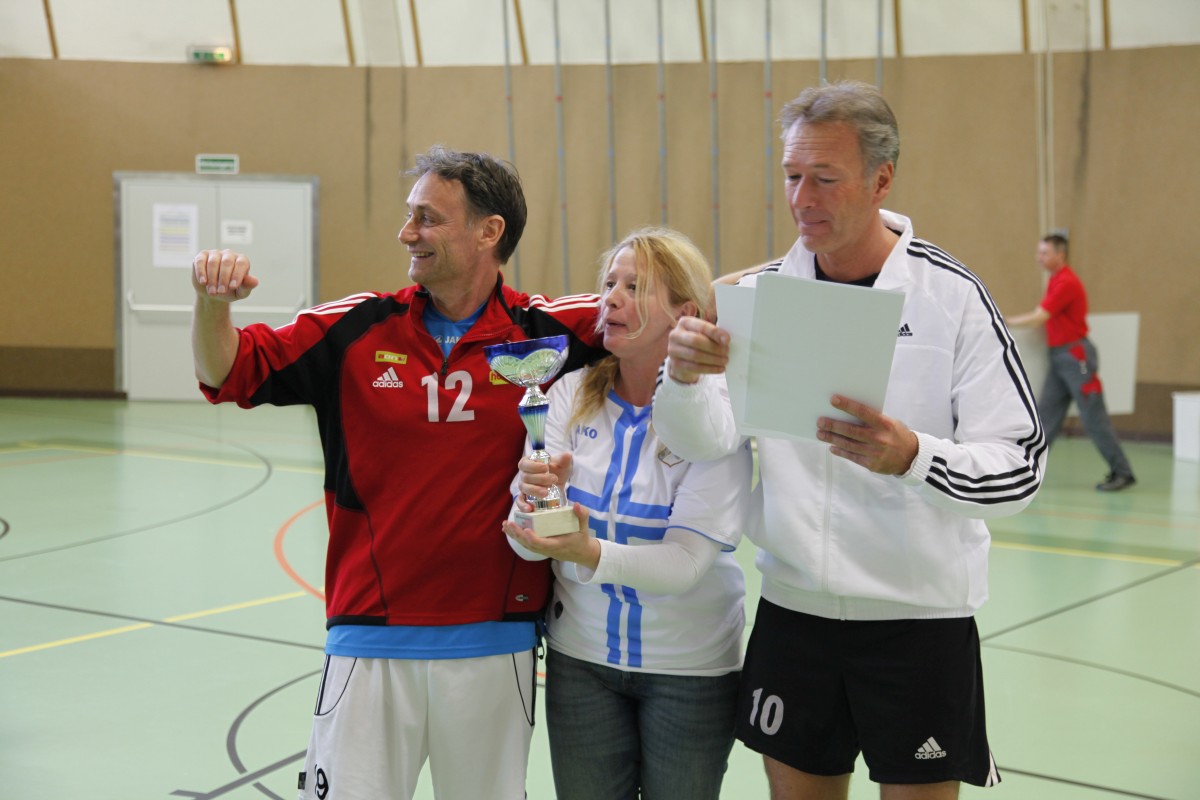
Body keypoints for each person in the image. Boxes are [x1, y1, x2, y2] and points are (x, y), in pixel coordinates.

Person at [652, 80, 1047, 799]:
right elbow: (704, 443)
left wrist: (915, 456)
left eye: (825, 179)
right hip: (794, 619)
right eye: (792, 176)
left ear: (881, 180)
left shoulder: (952, 298)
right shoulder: (756, 297)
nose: (802, 198)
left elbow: (1019, 468)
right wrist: (681, 380)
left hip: (918, 626)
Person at [190, 145, 606, 800]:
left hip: (495, 644)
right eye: (411, 215)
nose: (406, 232)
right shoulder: (354, 329)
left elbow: (665, 306)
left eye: (427, 218)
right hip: (368, 638)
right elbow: (229, 370)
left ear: (489, 231)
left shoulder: (548, 331)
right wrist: (212, 304)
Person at [502, 228, 754, 800]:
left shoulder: (719, 415)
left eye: (635, 287)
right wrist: (534, 505)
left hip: (691, 672)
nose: (611, 298)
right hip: (580, 665)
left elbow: (686, 563)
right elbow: (526, 544)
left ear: (685, 315)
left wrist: (587, 552)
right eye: (610, 284)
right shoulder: (566, 395)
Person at [1007, 234, 1136, 491]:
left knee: (1093, 418)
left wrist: (1004, 321)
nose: (1039, 258)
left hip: (1076, 359)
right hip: (1058, 358)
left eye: (1044, 253)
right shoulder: (1055, 280)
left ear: (1060, 255)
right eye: (1039, 252)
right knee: (1045, 418)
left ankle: (1122, 472)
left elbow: (1039, 317)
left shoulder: (1066, 282)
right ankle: (1028, 471)